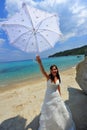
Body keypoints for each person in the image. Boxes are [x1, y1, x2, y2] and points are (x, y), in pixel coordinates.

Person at [36, 55, 76, 130]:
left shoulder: (58, 77)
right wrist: (40, 63)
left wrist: (60, 94)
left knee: (60, 110)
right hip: (49, 96)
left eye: (55, 69)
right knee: (50, 111)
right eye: (53, 69)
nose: (55, 70)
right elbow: (43, 71)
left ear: (57, 70)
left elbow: (58, 86)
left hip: (56, 96)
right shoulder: (48, 77)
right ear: (51, 71)